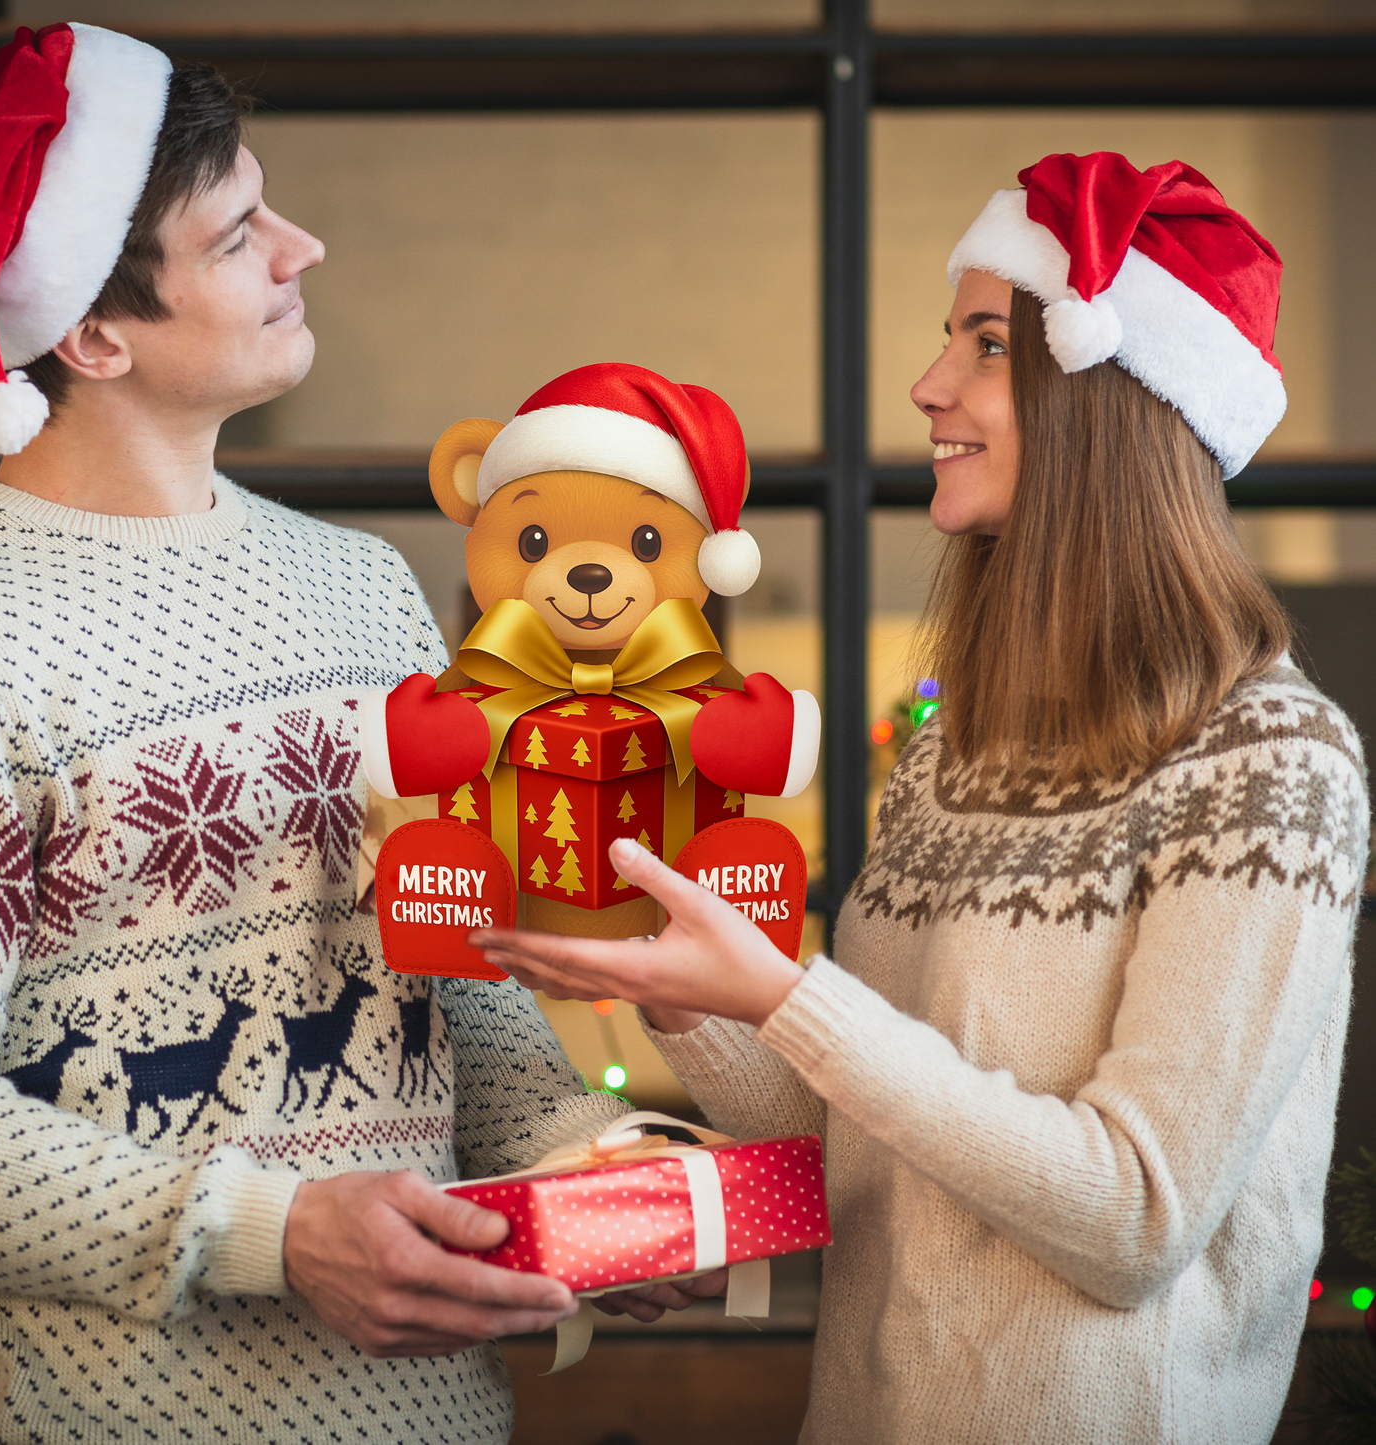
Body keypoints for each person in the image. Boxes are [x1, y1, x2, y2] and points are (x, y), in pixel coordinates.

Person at [472, 151, 1369, 1443]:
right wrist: (675, 985)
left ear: (1110, 397)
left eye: (986, 345)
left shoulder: (1270, 764)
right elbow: (860, 1146)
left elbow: (1137, 1220)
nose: (930, 385)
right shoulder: (958, 751)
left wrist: (787, 991)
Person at [0, 23, 661, 1442]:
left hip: (438, 1420)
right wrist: (269, 1233)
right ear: (93, 333)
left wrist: (581, 1160)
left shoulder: (363, 585)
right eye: (239, 235)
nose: (303, 248)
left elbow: (449, 962)